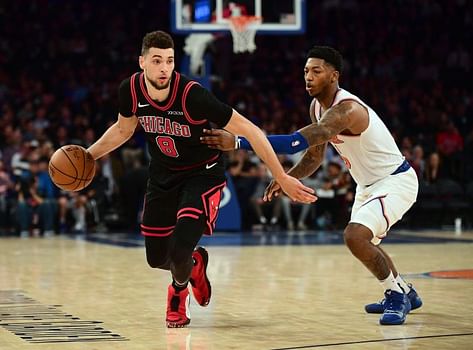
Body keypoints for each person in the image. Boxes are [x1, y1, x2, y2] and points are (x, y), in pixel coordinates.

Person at [85, 30, 316, 328]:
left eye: (169, 61)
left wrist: (281, 175)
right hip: (162, 176)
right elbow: (123, 129)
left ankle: (177, 295)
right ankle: (194, 266)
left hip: (202, 175)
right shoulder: (129, 90)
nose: (164, 68)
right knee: (157, 258)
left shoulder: (192, 95)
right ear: (142, 62)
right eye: (157, 61)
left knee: (180, 246)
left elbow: (251, 130)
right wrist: (89, 156)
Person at [200, 46, 422, 325]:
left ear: (334, 75)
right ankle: (404, 290)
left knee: (355, 237)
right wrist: (288, 176)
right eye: (306, 71)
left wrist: (238, 142)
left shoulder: (348, 110)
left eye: (316, 71)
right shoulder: (317, 107)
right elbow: (314, 155)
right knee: (367, 241)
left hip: (395, 180)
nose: (308, 76)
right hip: (368, 185)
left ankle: (396, 295)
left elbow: (296, 142)